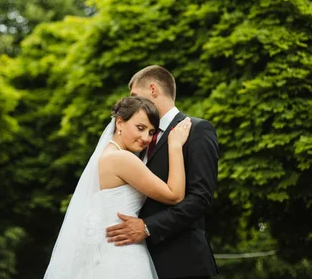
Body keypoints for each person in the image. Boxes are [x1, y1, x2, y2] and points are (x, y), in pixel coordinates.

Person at [44, 95, 192, 279]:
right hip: (122, 254)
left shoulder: (108, 154)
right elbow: (175, 195)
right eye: (140, 128)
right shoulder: (122, 159)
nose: (146, 137)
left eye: (151, 132)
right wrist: (175, 146)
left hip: (108, 251)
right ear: (120, 123)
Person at [106, 65, 219, 279]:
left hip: (182, 261)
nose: (131, 103)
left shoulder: (198, 130)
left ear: (153, 89)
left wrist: (148, 227)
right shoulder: (136, 139)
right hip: (135, 260)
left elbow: (201, 198)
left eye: (134, 96)